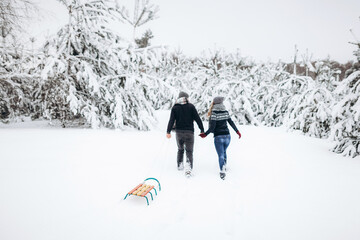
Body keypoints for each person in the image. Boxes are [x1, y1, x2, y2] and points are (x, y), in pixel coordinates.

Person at [200, 96, 241, 180]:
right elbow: (231, 122)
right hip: (227, 136)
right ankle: (224, 165)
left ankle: (222, 171)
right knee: (224, 151)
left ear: (214, 103)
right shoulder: (225, 111)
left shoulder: (214, 113)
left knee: (220, 154)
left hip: (218, 137)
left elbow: (212, 127)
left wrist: (205, 134)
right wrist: (237, 131)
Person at [166, 91, 205, 177]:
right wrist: (202, 129)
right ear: (186, 98)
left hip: (179, 132)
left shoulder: (175, 107)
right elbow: (198, 119)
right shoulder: (191, 106)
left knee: (180, 149)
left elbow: (171, 120)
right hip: (189, 132)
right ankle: (188, 167)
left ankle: (180, 165)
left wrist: (168, 131)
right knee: (189, 151)